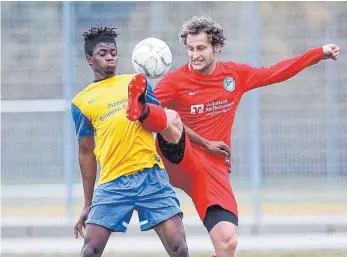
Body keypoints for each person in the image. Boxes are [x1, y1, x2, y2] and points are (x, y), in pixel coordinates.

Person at [126, 16, 340, 257]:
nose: (194, 55)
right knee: (170, 118)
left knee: (228, 242)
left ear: (217, 47)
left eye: (201, 48)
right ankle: (142, 106)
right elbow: (137, 120)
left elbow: (275, 72)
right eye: (190, 49)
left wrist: (318, 53)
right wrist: (203, 141)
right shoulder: (175, 81)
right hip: (180, 157)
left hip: (213, 168)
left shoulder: (234, 76)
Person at [71, 27, 190, 257]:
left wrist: (204, 143)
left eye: (113, 52)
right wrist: (88, 203)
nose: (110, 57)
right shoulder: (81, 102)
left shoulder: (136, 82)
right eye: (103, 53)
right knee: (90, 250)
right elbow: (86, 153)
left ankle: (138, 110)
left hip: (151, 177)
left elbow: (163, 121)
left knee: (180, 247)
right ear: (89, 59)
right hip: (113, 182)